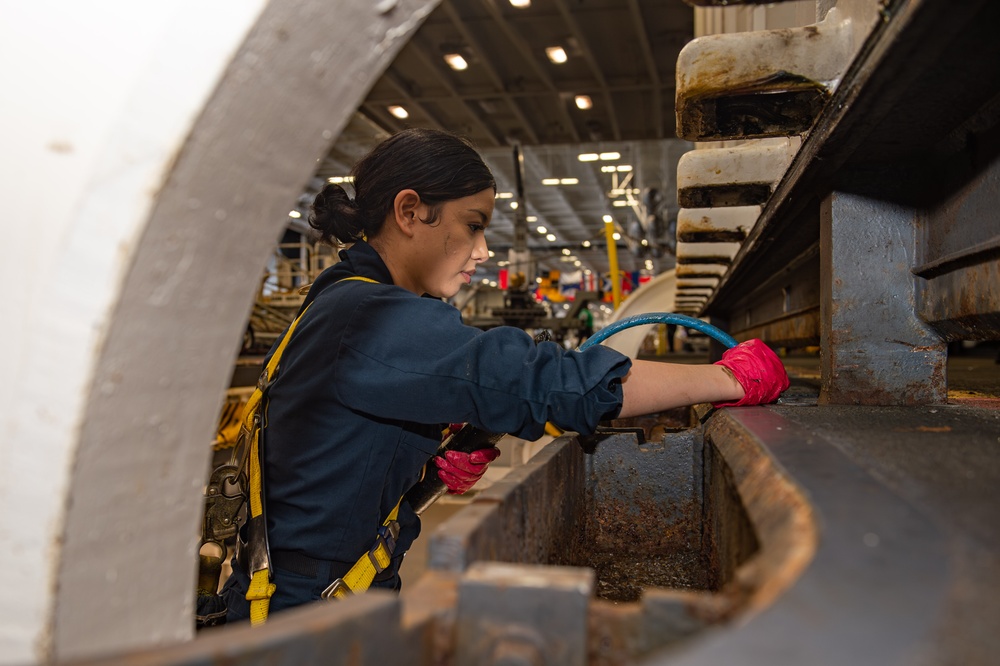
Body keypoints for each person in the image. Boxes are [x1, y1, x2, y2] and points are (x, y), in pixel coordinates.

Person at [219, 128, 788, 622]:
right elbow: (549, 383)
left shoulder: (345, 299)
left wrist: (413, 459)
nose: (484, 250)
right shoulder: (367, 316)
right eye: (473, 225)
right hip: (308, 614)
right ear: (410, 211)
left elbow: (326, 455)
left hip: (321, 593)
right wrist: (730, 379)